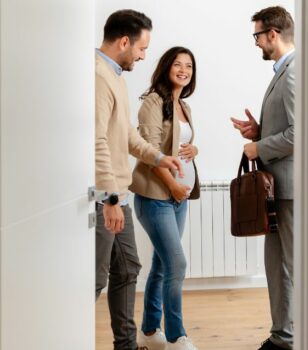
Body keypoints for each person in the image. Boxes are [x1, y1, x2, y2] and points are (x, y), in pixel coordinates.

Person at [95, 9, 183, 350]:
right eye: (142, 48)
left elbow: (127, 135)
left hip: (119, 196)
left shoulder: (115, 76)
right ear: (123, 42)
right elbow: (97, 142)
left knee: (128, 269)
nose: (144, 56)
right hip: (106, 199)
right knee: (94, 280)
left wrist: (159, 157)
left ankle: (126, 346)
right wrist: (110, 198)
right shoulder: (98, 77)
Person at [230, 6, 296, 350]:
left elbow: (301, 133)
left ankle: (298, 336)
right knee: (276, 266)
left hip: (290, 189)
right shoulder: (283, 71)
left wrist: (260, 147)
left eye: (257, 35)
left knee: (293, 267)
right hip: (278, 190)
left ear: (272, 33)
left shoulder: (295, 72)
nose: (255, 42)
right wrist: (259, 131)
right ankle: (283, 337)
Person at [130, 46, 201, 350]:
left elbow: (180, 145)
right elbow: (149, 151)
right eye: (178, 64)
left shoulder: (183, 105)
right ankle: (176, 336)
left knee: (162, 265)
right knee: (177, 264)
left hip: (178, 198)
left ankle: (149, 331)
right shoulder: (153, 102)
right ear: (166, 67)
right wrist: (172, 185)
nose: (184, 70)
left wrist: (195, 149)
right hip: (155, 197)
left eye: (189, 66)